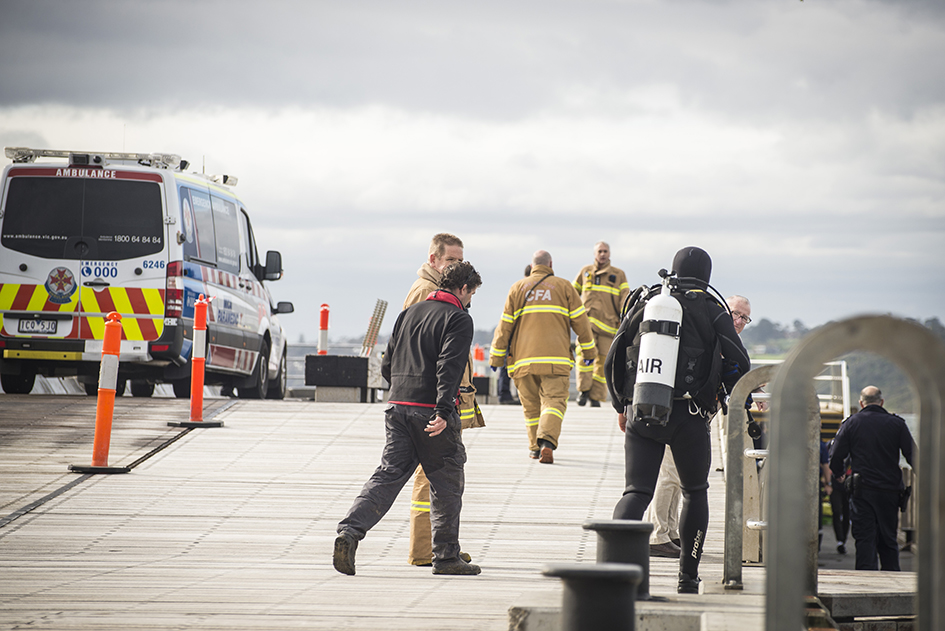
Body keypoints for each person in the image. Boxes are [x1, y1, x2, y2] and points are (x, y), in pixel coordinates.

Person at [606, 246, 750, 594]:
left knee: (636, 493)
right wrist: (723, 386)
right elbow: (741, 362)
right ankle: (688, 577)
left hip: (643, 410)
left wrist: (621, 406)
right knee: (695, 493)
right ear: (707, 276)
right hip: (689, 416)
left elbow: (613, 357)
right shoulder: (712, 309)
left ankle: (618, 576)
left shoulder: (649, 302)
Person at [334, 261, 483, 576]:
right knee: (446, 482)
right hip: (431, 412)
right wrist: (443, 410)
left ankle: (349, 531)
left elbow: (387, 366)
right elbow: (449, 366)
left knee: (388, 475)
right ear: (464, 288)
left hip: (397, 406)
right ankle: (445, 558)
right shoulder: (458, 319)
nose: (471, 301)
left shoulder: (408, 314)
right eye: (472, 294)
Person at [645, 293, 756, 559]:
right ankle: (656, 535)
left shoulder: (723, 336)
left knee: (674, 474)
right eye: (735, 314)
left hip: (694, 415)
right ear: (722, 310)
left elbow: (734, 370)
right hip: (683, 414)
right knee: (671, 474)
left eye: (744, 317)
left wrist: (755, 388)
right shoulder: (714, 333)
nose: (739, 320)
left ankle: (668, 532)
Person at [402, 233, 484, 567]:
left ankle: (435, 545)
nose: (458, 266)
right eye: (451, 260)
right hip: (432, 404)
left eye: (460, 260)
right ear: (434, 259)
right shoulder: (427, 293)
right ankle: (426, 549)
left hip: (439, 399)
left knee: (434, 475)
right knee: (431, 475)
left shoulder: (437, 292)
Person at [490, 250, 596, 464]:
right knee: (554, 402)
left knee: (531, 408)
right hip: (555, 361)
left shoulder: (517, 288)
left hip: (523, 362)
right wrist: (589, 351)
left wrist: (495, 357)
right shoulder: (564, 286)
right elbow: (581, 323)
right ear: (550, 264)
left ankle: (534, 448)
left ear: (532, 265)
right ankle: (547, 441)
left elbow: (504, 327)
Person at [829, 386, 915, 571]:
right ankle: (893, 586)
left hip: (862, 491)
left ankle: (867, 587)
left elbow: (835, 455)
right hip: (890, 491)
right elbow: (913, 455)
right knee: (889, 539)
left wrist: (838, 474)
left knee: (865, 540)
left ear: (861, 403)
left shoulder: (852, 423)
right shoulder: (897, 424)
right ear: (881, 402)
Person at [572, 241, 630, 407]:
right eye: (600, 251)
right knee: (583, 358)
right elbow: (571, 293)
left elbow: (624, 299)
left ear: (609, 254)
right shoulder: (585, 272)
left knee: (603, 363)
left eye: (605, 251)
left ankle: (596, 397)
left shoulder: (618, 275)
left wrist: (625, 319)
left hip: (608, 327)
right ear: (595, 254)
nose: (603, 254)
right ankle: (583, 392)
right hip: (586, 326)